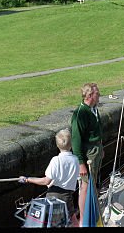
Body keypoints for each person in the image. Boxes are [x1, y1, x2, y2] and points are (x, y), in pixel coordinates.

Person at [19, 129, 80, 223]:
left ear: (57, 145)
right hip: (68, 196)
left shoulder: (56, 160)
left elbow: (46, 181)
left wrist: (27, 179)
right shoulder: (76, 159)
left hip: (55, 196)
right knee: (72, 217)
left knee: (54, 222)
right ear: (71, 145)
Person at [72, 82, 104, 219]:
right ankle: (85, 219)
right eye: (98, 93)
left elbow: (97, 131)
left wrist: (100, 148)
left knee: (94, 182)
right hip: (88, 155)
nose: (100, 95)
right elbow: (76, 139)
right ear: (90, 95)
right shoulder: (80, 114)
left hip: (96, 151)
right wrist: (80, 163)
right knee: (85, 186)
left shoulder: (94, 109)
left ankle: (92, 211)